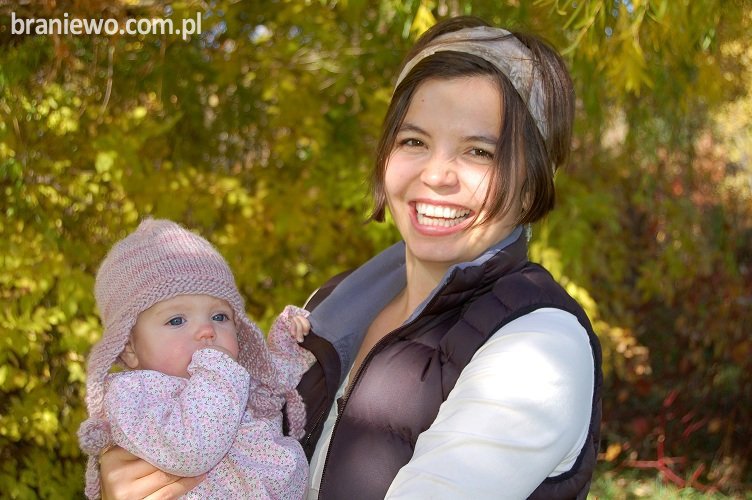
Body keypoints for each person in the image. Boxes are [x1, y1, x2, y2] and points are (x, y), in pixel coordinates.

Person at [99, 15, 603, 500]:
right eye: (414, 141)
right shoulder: (331, 305)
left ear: (532, 180)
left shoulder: (537, 347)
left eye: (479, 152)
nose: (436, 175)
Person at [77, 218, 313, 499]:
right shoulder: (133, 396)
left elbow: (278, 383)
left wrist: (289, 340)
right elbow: (193, 450)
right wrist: (218, 370)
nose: (207, 330)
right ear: (129, 348)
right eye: (177, 320)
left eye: (220, 316)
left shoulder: (235, 381)